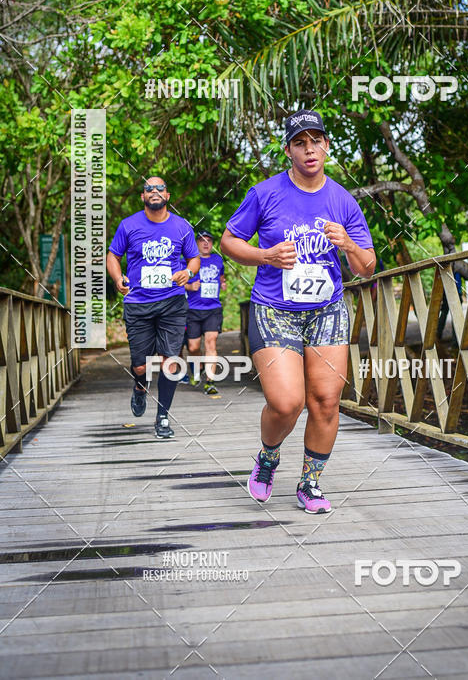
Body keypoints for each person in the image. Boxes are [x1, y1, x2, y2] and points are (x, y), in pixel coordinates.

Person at [221, 109, 375, 514]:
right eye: (300, 143)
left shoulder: (342, 200)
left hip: (326, 309)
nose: (310, 149)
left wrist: (350, 246)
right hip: (274, 308)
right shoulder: (265, 193)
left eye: (316, 141)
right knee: (287, 401)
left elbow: (366, 266)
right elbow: (229, 242)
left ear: (326, 145)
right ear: (288, 150)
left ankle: (310, 484)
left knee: (325, 399)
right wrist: (265, 255)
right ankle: (268, 458)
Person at [106, 177, 200, 438]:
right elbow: (113, 255)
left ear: (167, 195)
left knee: (170, 360)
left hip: (172, 301)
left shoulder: (182, 227)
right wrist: (117, 279)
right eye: (149, 188)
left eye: (160, 188)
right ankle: (139, 387)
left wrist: (188, 273)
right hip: (138, 303)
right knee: (140, 366)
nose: (155, 191)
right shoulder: (129, 225)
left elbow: (193, 259)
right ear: (143, 196)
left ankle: (163, 417)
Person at [184, 230, 227, 395]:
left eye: (209, 240)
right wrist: (189, 286)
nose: (206, 243)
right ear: (196, 243)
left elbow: (221, 275)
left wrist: (222, 283)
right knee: (193, 347)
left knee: (211, 342)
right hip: (193, 310)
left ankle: (210, 381)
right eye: (202, 240)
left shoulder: (218, 259)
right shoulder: (189, 261)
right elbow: (177, 282)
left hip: (213, 309)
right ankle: (197, 367)